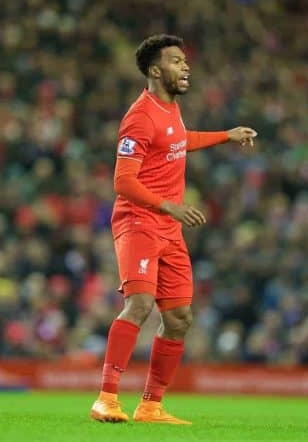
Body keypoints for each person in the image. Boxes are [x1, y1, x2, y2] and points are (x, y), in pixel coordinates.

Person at [90, 34, 257, 424]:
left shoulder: (172, 109)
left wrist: (224, 135)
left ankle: (151, 405)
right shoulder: (140, 116)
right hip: (139, 221)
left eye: (185, 61)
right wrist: (170, 206)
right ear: (155, 70)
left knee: (180, 317)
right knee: (141, 304)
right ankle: (106, 398)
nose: (186, 67)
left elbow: (177, 142)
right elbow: (123, 181)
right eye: (177, 61)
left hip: (169, 227)